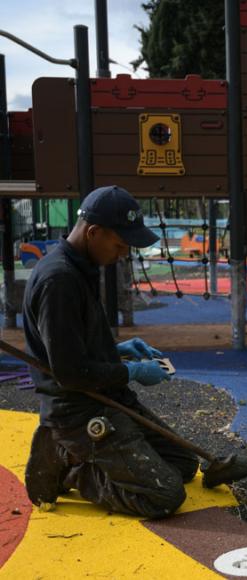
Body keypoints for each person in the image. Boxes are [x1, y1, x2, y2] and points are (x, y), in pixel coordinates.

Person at [23, 185, 198, 519]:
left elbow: (71, 345)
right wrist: (131, 372)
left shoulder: (81, 266)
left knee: (183, 464)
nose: (122, 254)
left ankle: (80, 453)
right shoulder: (59, 281)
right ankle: (70, 461)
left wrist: (117, 351)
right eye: (119, 245)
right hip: (77, 407)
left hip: (104, 393)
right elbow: (70, 372)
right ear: (93, 232)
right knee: (164, 496)